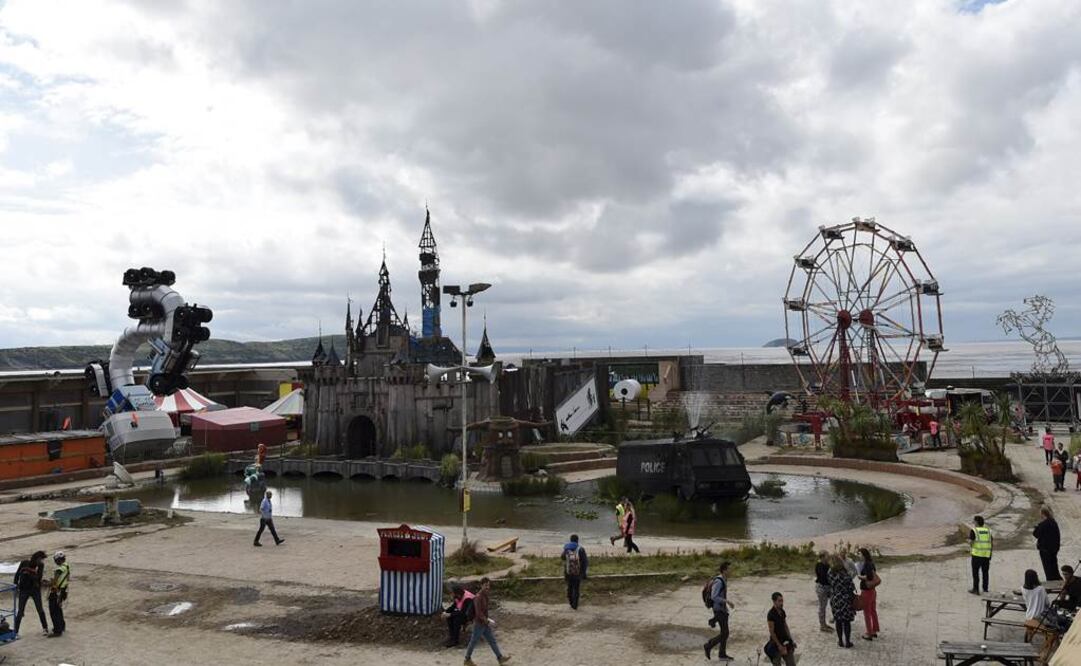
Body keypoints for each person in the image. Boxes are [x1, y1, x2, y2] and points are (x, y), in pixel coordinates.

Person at [463, 577, 510, 666]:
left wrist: (487, 620)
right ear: (481, 586)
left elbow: (483, 611)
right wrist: (487, 620)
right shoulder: (478, 597)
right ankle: (467, 659)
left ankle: (500, 658)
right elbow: (478, 613)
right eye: (485, 585)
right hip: (479, 623)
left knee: (492, 640)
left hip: (484, 623)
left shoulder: (485, 595)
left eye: (488, 585)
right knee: (473, 641)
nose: (487, 587)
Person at [12, 550, 49, 636]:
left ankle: (45, 628)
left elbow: (38, 577)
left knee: (40, 609)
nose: (41, 561)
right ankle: (16, 631)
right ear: (36, 558)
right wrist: (16, 586)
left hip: (35, 590)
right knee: (20, 611)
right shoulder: (24, 563)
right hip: (24, 590)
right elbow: (17, 575)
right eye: (40, 559)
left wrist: (28, 573)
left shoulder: (40, 565)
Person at [704, 561, 734, 661]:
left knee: (724, 632)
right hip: (718, 609)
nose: (731, 570)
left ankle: (722, 654)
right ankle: (708, 645)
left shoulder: (724, 579)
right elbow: (714, 596)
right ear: (724, 570)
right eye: (729, 569)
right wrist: (727, 601)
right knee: (725, 633)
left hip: (722, 609)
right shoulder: (719, 581)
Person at [827, 554, 856, 649]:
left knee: (838, 620)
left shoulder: (830, 573)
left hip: (835, 598)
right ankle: (847, 642)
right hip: (845, 599)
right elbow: (851, 586)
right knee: (846, 621)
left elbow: (830, 584)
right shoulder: (844, 574)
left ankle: (840, 640)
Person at [765, 592, 797, 666]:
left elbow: (785, 625)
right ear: (774, 601)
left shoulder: (782, 611)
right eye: (779, 601)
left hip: (785, 640)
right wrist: (779, 645)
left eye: (782, 600)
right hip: (776, 643)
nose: (781, 603)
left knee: (791, 663)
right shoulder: (771, 614)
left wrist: (791, 639)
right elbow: (772, 631)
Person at [857, 547, 881, 640]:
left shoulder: (866, 564)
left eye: (859, 554)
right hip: (873, 591)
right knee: (873, 611)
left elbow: (869, 577)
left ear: (863, 555)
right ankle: (874, 629)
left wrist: (860, 577)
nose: (859, 556)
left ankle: (869, 633)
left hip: (866, 591)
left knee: (866, 612)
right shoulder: (871, 563)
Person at [1032, 507, 1061, 581]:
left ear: (1043, 514)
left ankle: (1051, 581)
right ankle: (1057, 579)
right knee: (1054, 566)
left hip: (1045, 550)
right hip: (1054, 549)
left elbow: (1036, 534)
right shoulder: (1054, 522)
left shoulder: (1043, 524)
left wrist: (1037, 527)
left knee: (1048, 568)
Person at [561, 534, 589, 610]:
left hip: (568, 572)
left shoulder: (566, 548)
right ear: (577, 540)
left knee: (569, 587)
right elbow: (585, 562)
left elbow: (562, 558)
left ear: (570, 540)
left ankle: (570, 602)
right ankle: (575, 605)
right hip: (577, 573)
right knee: (576, 588)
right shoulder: (581, 549)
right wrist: (584, 574)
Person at [46, 551, 69, 637]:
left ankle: (57, 630)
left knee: (53, 611)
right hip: (63, 591)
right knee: (59, 610)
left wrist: (48, 583)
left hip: (56, 592)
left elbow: (54, 582)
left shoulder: (58, 570)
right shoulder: (66, 566)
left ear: (58, 560)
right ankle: (61, 626)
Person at [968, 515, 993, 594]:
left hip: (977, 555)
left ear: (977, 522)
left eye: (974, 521)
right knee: (985, 572)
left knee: (975, 572)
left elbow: (971, 542)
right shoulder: (988, 530)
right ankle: (985, 588)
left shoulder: (974, 530)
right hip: (986, 555)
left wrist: (971, 546)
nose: (973, 523)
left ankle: (976, 589)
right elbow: (991, 542)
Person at [814, 551, 832, 633]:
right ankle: (822, 625)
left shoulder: (827, 565)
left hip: (826, 587)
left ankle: (824, 624)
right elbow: (823, 577)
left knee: (824, 606)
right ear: (822, 557)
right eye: (827, 555)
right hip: (821, 587)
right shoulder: (819, 565)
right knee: (822, 607)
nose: (828, 557)